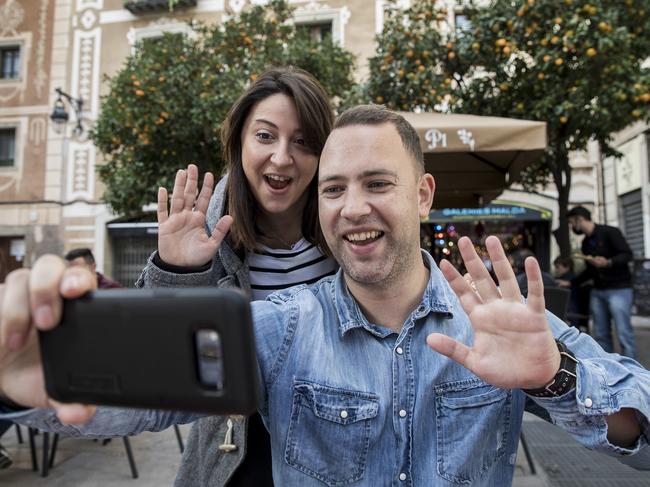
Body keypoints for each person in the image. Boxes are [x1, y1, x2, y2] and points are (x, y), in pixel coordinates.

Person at [0, 105, 648, 486]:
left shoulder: (497, 322)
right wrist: (31, 372)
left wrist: (556, 378)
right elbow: (140, 397)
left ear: (422, 195)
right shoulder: (278, 327)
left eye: (376, 183)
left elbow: (640, 433)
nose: (352, 208)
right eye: (334, 188)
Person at [135, 67, 337, 486]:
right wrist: (177, 270)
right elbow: (157, 361)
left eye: (302, 142)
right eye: (265, 136)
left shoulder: (346, 236)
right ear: (239, 141)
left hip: (336, 450)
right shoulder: (206, 233)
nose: (282, 158)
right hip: (236, 454)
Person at [567, 205, 636, 358]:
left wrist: (609, 262)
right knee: (601, 334)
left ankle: (635, 373)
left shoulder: (610, 232)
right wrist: (572, 282)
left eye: (572, 222)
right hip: (598, 291)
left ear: (580, 219)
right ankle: (608, 370)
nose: (572, 227)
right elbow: (590, 271)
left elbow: (627, 254)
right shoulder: (585, 244)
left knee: (624, 332)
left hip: (619, 289)